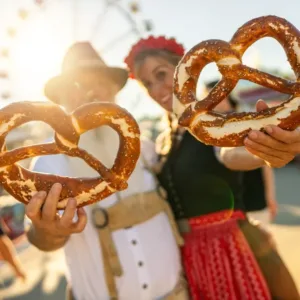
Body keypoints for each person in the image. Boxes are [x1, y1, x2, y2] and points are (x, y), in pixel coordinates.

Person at [124, 35, 300, 300]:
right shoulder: (164, 141)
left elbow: (230, 154)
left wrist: (265, 151)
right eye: (147, 84)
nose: (156, 89)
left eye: (161, 74)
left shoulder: (213, 120)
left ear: (185, 70)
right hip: (188, 256)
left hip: (229, 248)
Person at [25, 42, 189, 300]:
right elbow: (42, 239)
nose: (89, 91)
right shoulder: (51, 164)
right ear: (63, 102)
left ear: (115, 91)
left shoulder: (146, 150)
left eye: (98, 81)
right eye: (75, 84)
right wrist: (48, 231)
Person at [205, 80, 278, 224]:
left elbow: (265, 166)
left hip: (255, 198)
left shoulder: (247, 120)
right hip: (229, 206)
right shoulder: (209, 129)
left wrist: (270, 196)